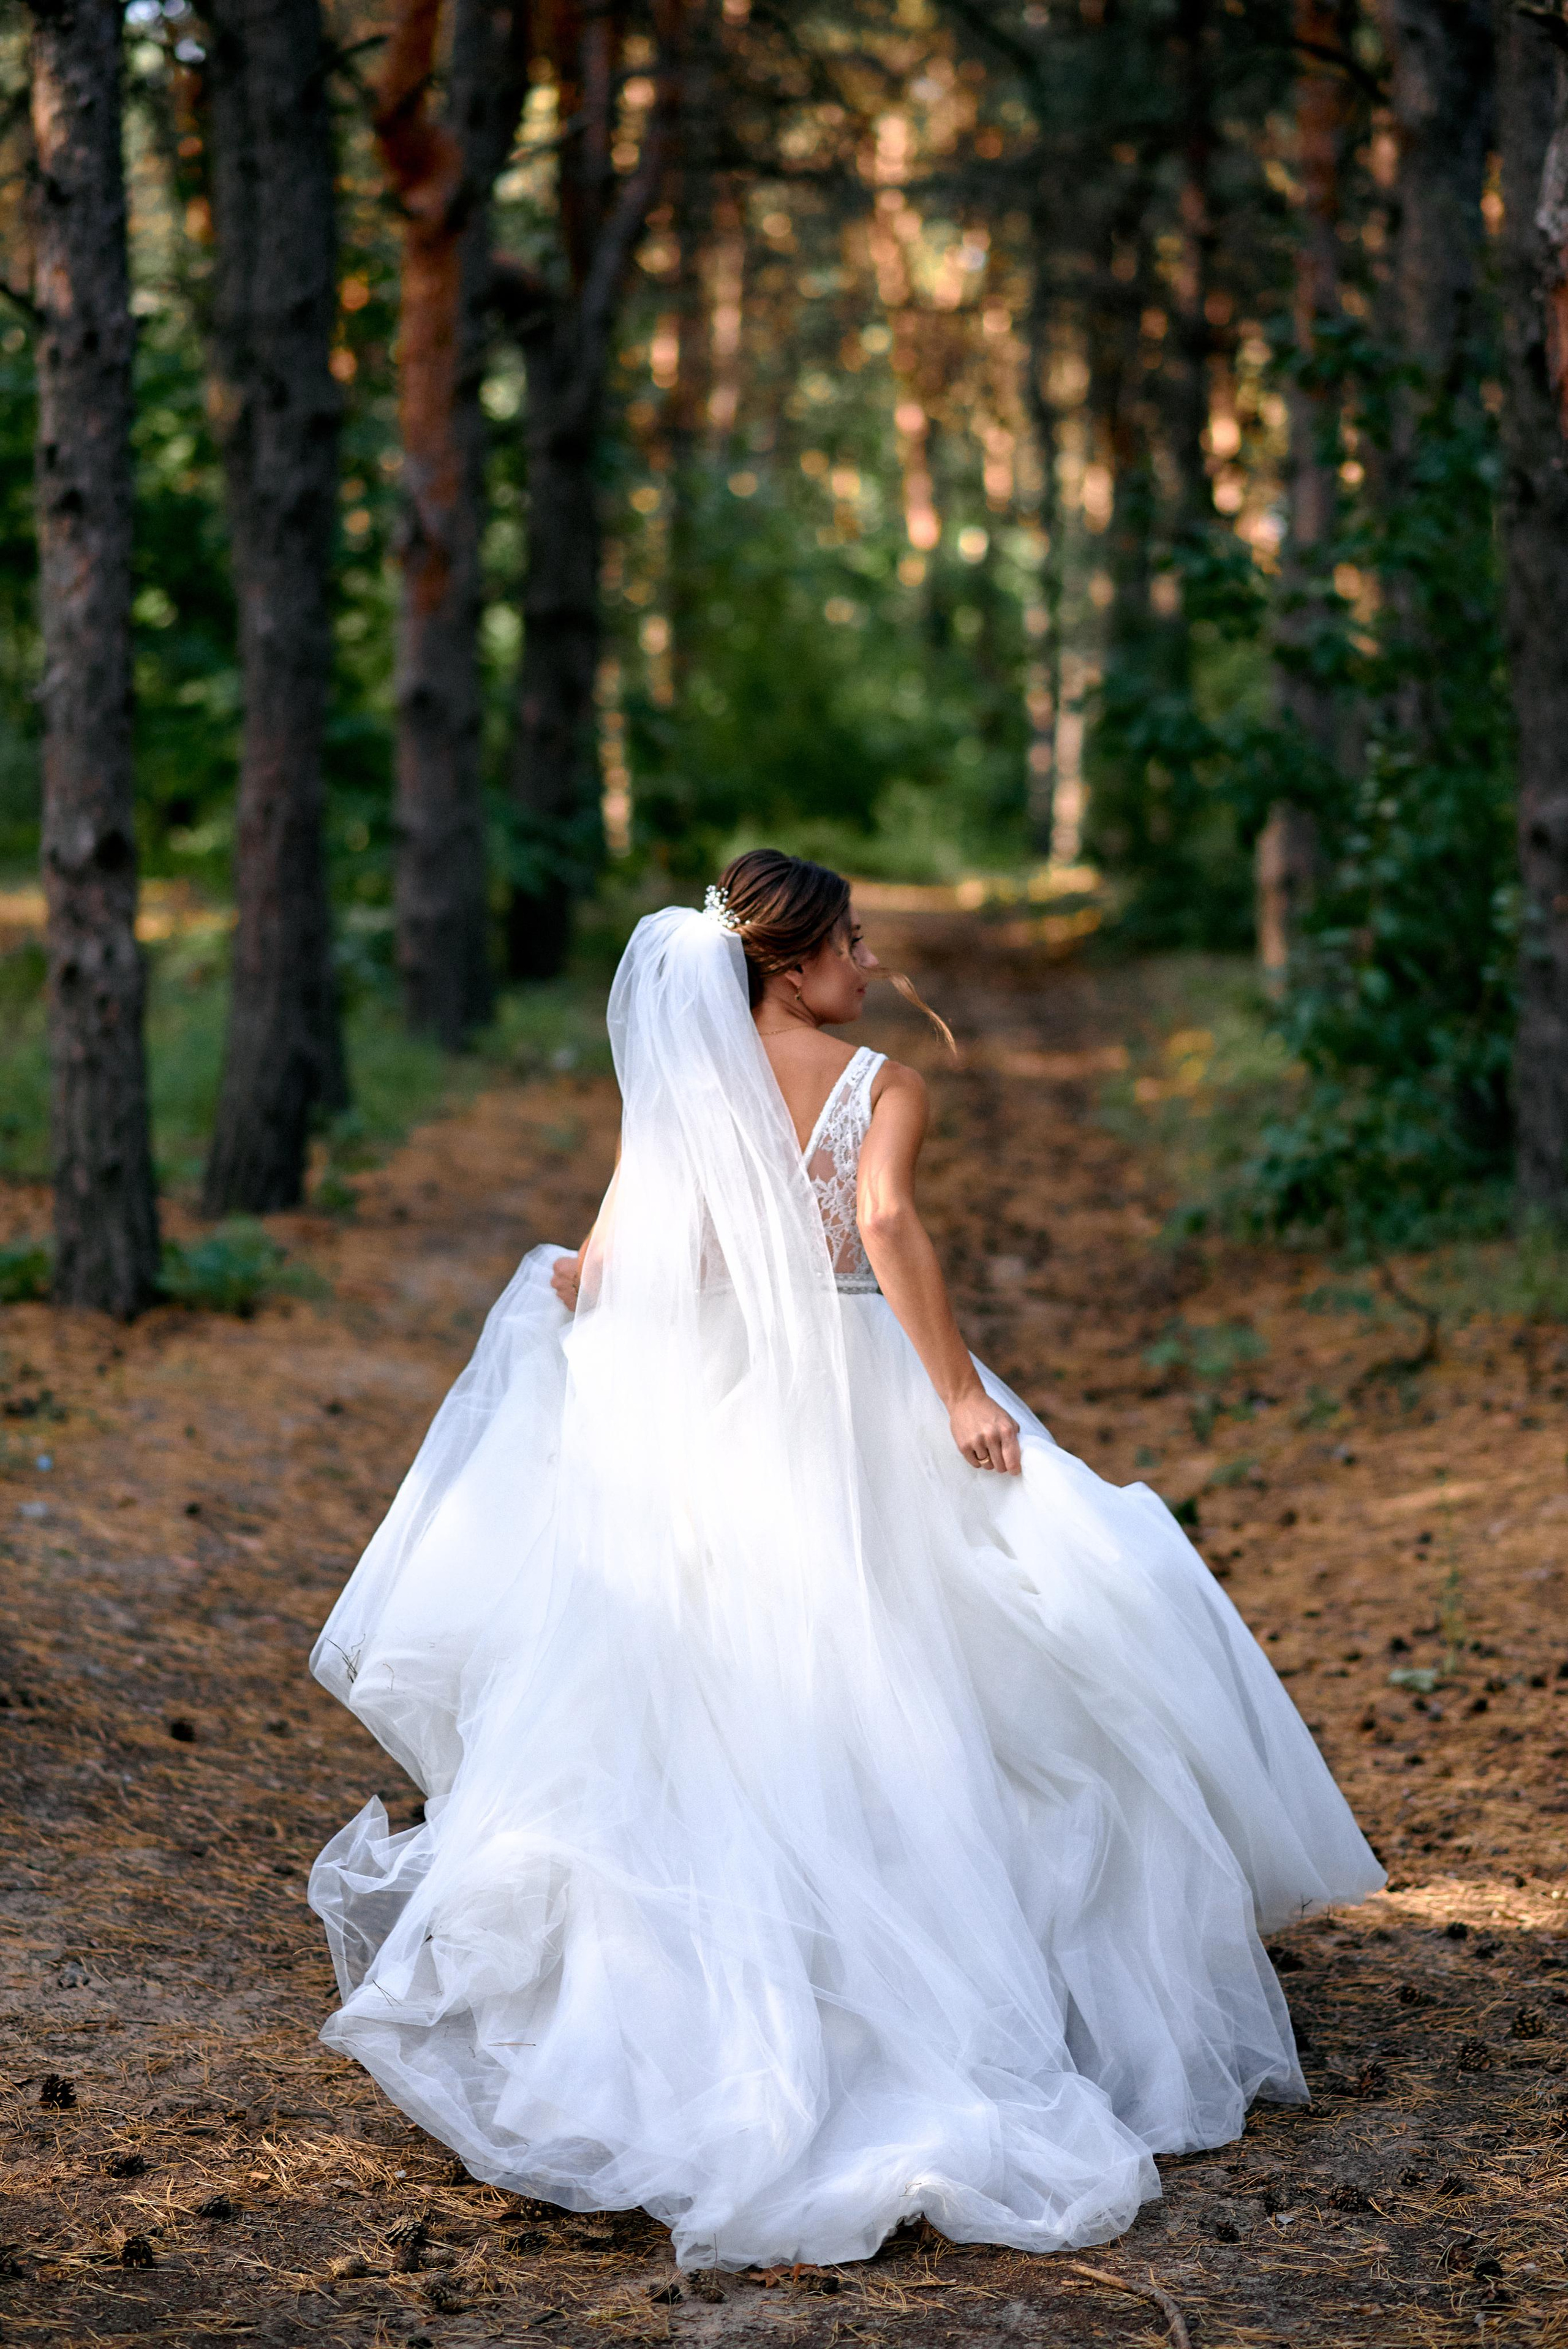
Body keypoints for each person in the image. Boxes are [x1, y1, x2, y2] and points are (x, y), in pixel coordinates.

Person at [309, 849, 1382, 2274]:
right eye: (853, 943)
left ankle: (727, 1999)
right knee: (956, 1660)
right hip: (862, 1379)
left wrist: (569, 1300)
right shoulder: (878, 1082)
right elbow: (882, 1226)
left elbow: (618, 1259)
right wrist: (957, 1395)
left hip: (719, 1403)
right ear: (795, 961)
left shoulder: (682, 1082)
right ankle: (981, 1987)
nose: (870, 964)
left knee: (732, 1688)